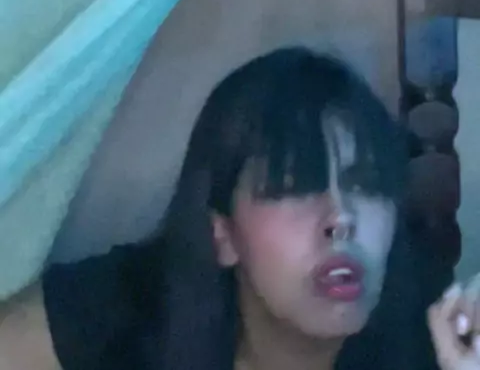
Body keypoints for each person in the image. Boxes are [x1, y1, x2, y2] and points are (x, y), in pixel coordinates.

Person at [0, 47, 479, 370]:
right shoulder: (127, 310)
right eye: (294, 187)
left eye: (366, 185)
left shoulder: (434, 337)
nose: (341, 218)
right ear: (222, 234)